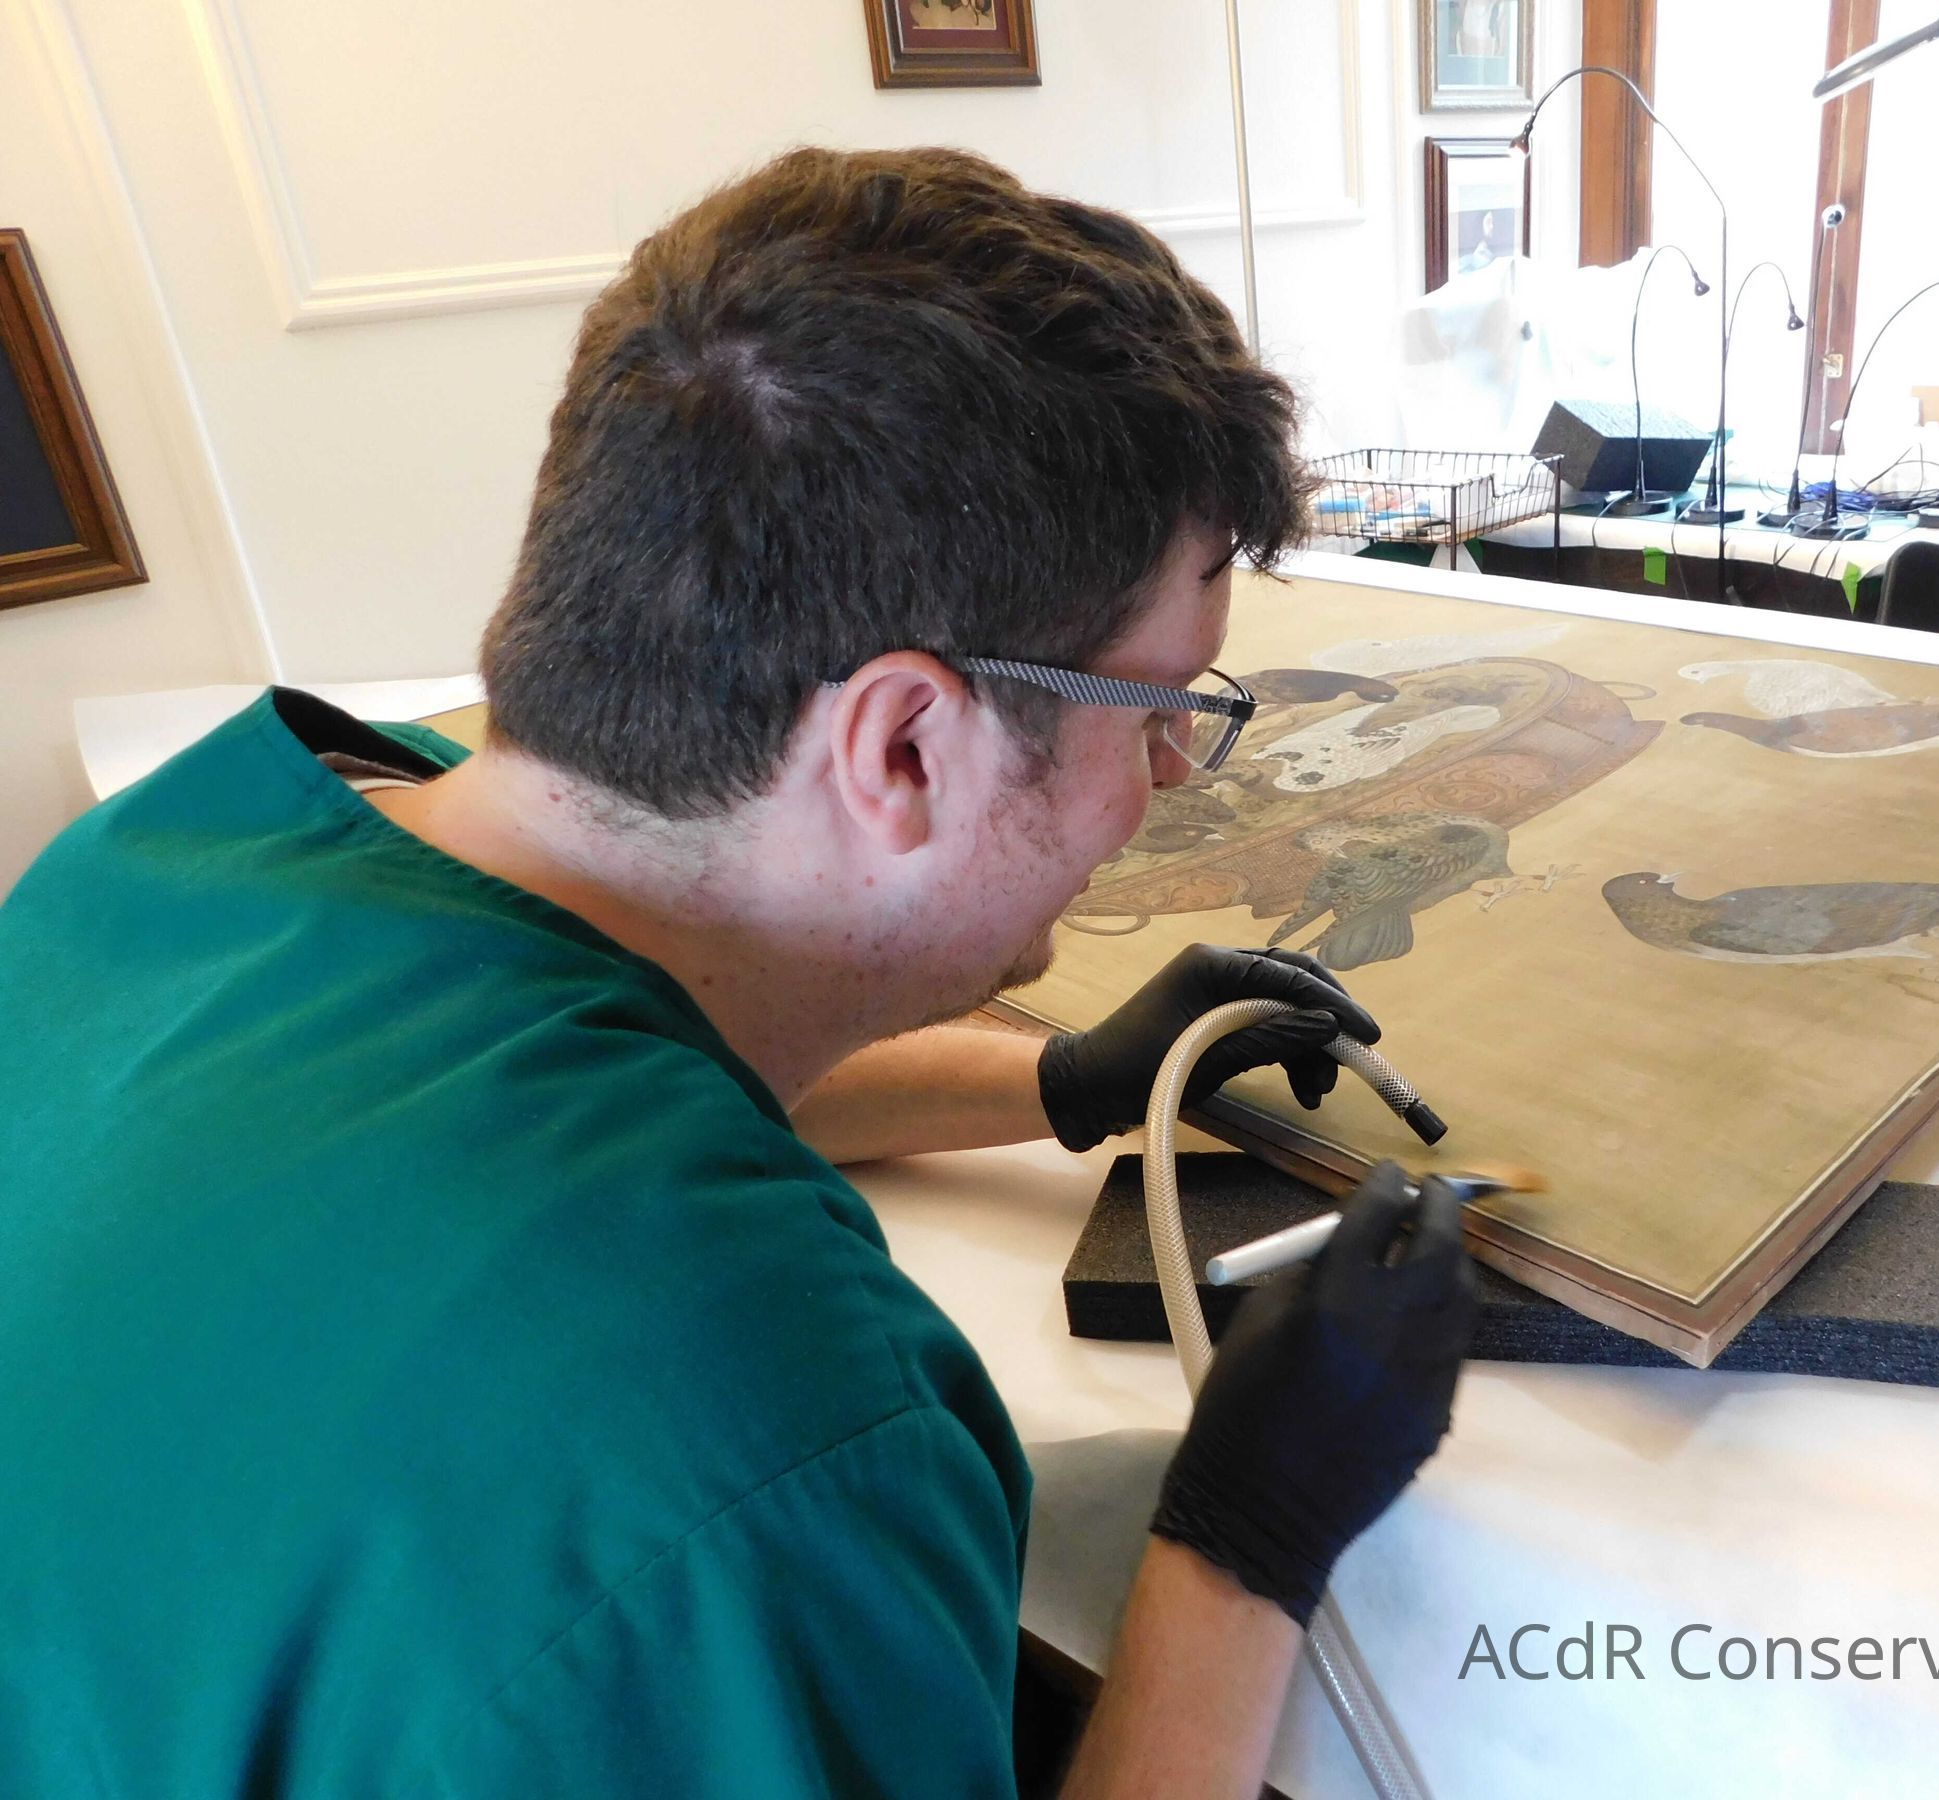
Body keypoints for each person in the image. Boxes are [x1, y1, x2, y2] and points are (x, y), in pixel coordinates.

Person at [0, 146, 1476, 1797]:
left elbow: (572, 1079)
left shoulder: (184, 852)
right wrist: (1246, 1539)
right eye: (1161, 714)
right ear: (904, 746)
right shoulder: (768, 1438)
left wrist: (1061, 1082)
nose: (1171, 780)